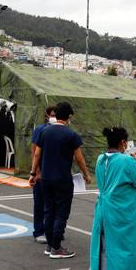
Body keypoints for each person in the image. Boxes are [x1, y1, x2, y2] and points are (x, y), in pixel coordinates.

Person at [89, 126, 136, 270]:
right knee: (124, 250)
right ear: (123, 143)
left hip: (104, 210)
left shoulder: (101, 159)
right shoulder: (126, 161)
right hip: (122, 212)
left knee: (107, 249)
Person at [28, 101, 91, 259]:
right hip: (62, 179)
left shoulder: (44, 132)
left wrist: (32, 173)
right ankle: (57, 247)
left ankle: (50, 245)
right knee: (61, 213)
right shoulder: (71, 135)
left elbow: (37, 154)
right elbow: (79, 159)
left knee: (48, 210)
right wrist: (86, 175)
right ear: (68, 117)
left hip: (46, 178)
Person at [29, 106, 57, 244]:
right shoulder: (40, 129)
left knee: (52, 205)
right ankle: (39, 231)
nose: (54, 117)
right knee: (40, 204)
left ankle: (51, 231)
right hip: (41, 174)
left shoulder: (62, 130)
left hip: (54, 174)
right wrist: (36, 172)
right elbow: (34, 151)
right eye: (52, 115)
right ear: (47, 115)